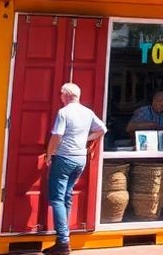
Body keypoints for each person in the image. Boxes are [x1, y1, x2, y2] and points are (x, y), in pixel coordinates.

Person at [41, 83, 105, 255]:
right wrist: (85, 139)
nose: (60, 97)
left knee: (56, 198)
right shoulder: (87, 112)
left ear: (65, 95)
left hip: (64, 158)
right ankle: (62, 239)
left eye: (61, 94)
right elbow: (102, 129)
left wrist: (49, 154)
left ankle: (63, 241)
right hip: (80, 159)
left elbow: (57, 136)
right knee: (66, 196)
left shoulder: (64, 112)